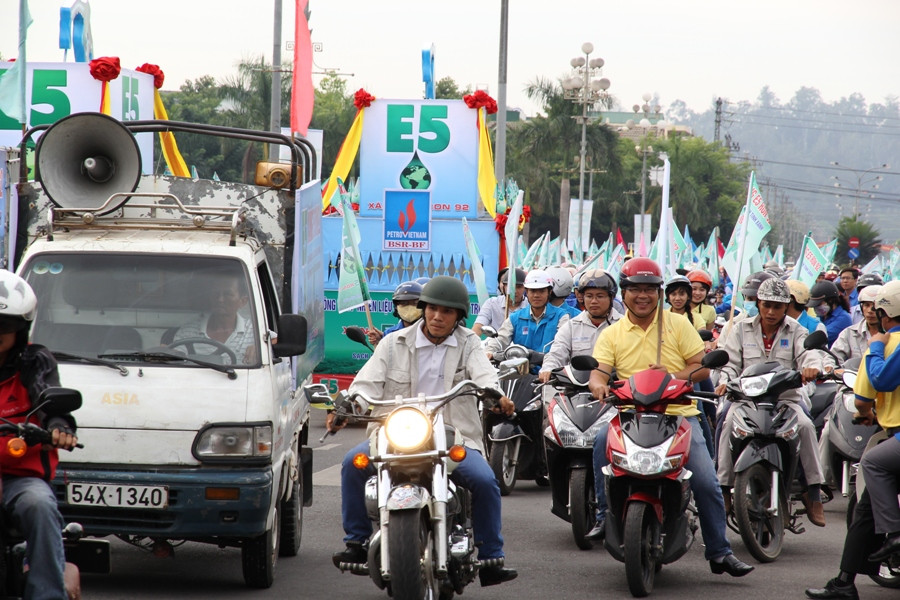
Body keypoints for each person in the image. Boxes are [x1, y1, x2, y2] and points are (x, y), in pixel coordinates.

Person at [327, 276, 518, 587]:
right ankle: (357, 543)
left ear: (458, 317)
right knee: (353, 463)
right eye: (431, 309)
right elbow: (365, 384)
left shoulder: (470, 343)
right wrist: (349, 406)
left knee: (484, 480)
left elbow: (485, 377)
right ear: (423, 309)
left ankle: (491, 557)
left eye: (446, 312)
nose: (437, 317)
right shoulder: (393, 343)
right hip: (396, 433)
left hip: (454, 434)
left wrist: (497, 397)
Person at [584, 258, 754, 577]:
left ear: (659, 292)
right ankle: (602, 516)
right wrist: (599, 386)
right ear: (624, 293)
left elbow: (701, 366)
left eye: (649, 289)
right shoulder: (613, 333)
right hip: (630, 416)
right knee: (599, 442)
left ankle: (719, 551)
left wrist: (675, 375)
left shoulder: (676, 324)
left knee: (705, 480)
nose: (643, 295)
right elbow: (599, 372)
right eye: (635, 289)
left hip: (679, 416)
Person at [805, 280, 900, 600]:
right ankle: (845, 581)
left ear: (885, 313)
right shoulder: (850, 333)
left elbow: (865, 395)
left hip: (893, 436)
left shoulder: (885, 345)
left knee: (872, 463)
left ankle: (894, 534)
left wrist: (874, 347)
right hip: (892, 437)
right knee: (865, 509)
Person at [715, 277, 828, 527]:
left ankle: (813, 492)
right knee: (725, 423)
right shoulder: (740, 329)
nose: (770, 311)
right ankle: (723, 488)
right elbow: (730, 364)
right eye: (766, 305)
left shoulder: (797, 330)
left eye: (777, 306)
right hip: (745, 400)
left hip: (785, 400)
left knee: (807, 427)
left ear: (787, 306)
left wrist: (812, 368)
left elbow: (809, 354)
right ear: (757, 303)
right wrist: (725, 381)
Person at [0, 270, 80, 600]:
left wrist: (58, 428)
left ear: (21, 329)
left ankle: (48, 594)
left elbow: (51, 399)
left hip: (20, 478)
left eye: (3, 325)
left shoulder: (35, 362)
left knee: (40, 505)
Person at [537, 269, 622, 382]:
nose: (594, 301)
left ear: (611, 297)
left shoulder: (623, 325)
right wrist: (547, 369)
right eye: (589, 296)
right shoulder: (571, 326)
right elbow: (557, 353)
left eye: (600, 296)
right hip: (578, 392)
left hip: (616, 390)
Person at [484, 270, 570, 373]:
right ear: (527, 292)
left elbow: (562, 346)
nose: (536, 295)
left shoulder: (562, 316)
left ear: (549, 292)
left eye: (541, 291)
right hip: (520, 375)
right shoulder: (515, 317)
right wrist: (489, 351)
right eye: (533, 291)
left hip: (551, 375)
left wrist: (549, 364)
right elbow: (500, 339)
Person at [173, 274, 256, 364]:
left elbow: (271, 345)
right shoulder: (187, 332)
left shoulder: (255, 333)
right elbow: (176, 365)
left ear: (243, 301)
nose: (220, 299)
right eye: (216, 293)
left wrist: (260, 350)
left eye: (227, 294)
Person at [366, 280, 423, 347]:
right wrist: (380, 342)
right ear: (396, 307)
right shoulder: (390, 334)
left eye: (415, 303)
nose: (409, 307)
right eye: (404, 303)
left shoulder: (430, 332)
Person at [472, 268, 527, 336]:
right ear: (503, 287)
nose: (515, 291)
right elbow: (479, 325)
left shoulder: (530, 306)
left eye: (519, 287)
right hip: (495, 344)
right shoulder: (491, 303)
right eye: (511, 287)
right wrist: (471, 343)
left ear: (525, 288)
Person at [808, 280, 853, 347]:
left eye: (819, 304)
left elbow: (821, 336)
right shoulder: (822, 316)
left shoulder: (843, 318)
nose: (816, 308)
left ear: (831, 300)